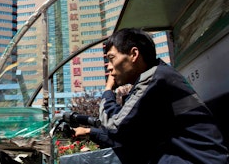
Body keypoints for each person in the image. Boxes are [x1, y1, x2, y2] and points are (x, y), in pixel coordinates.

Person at [74, 28, 228, 164]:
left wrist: (108, 90)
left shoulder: (155, 79)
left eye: (111, 58)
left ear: (134, 54)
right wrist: (90, 132)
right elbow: (131, 135)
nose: (109, 67)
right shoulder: (159, 77)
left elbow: (116, 126)